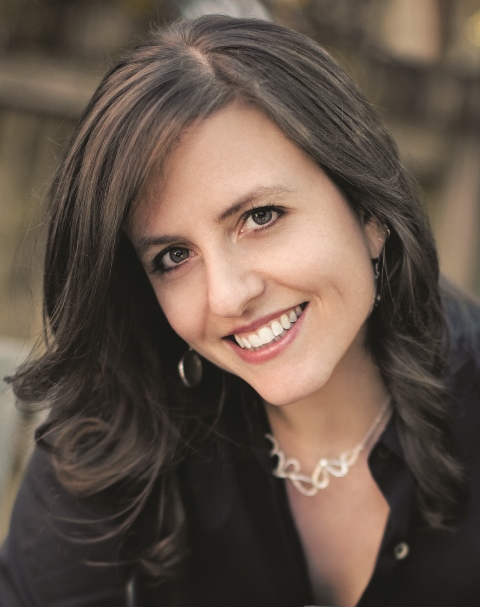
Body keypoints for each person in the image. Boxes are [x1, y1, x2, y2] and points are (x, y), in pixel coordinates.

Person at [1, 14, 479, 607]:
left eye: (260, 217)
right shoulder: (117, 414)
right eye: (173, 256)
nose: (225, 297)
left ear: (370, 212)